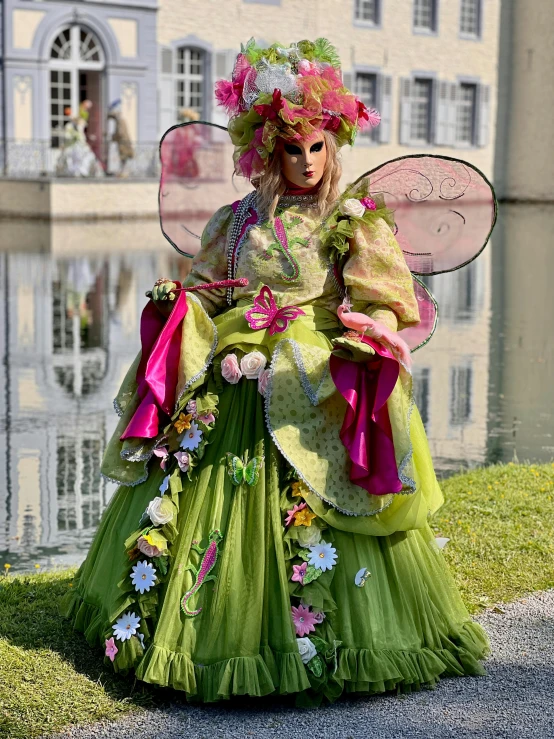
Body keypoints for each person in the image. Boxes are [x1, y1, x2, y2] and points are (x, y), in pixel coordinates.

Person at [63, 39, 492, 705]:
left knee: (318, 490)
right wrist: (182, 306)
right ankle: (202, 623)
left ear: (334, 144)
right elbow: (210, 290)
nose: (306, 162)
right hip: (235, 369)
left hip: (308, 367)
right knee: (205, 487)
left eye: (317, 148)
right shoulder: (237, 222)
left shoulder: (351, 220)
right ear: (268, 150)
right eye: (293, 150)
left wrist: (371, 329)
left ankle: (320, 630)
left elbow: (382, 297)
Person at [56, 101, 104, 178]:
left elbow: (82, 136)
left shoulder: (79, 126)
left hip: (80, 144)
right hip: (73, 145)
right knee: (70, 157)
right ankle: (73, 171)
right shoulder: (70, 126)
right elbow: (68, 136)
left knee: (88, 156)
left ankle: (85, 171)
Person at [108, 100, 135, 178]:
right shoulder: (119, 120)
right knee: (123, 159)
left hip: (123, 143)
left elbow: (120, 132)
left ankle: (124, 172)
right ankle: (123, 172)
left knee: (124, 158)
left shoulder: (120, 120)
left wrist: (113, 137)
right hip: (123, 142)